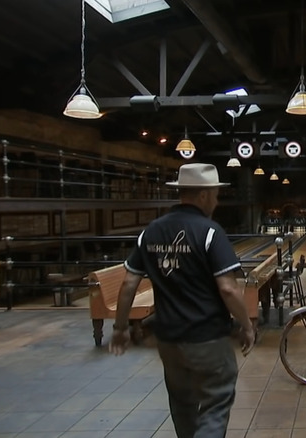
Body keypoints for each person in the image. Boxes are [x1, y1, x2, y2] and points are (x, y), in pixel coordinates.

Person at [110, 163, 255, 438]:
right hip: (207, 338)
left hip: (168, 341)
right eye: (215, 194)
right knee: (216, 402)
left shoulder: (150, 231)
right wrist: (246, 324)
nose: (216, 200)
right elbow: (228, 289)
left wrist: (120, 328)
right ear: (203, 195)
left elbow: (129, 282)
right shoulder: (210, 232)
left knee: (182, 404)